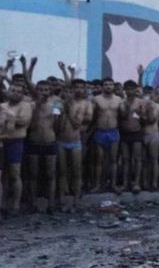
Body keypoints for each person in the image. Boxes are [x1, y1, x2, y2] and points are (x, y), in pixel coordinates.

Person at [24, 80, 59, 213]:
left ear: (50, 91)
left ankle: (51, 204)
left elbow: (57, 125)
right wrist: (37, 107)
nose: (43, 93)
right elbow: (29, 125)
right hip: (34, 142)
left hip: (50, 142)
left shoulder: (55, 105)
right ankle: (33, 203)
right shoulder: (31, 105)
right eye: (41, 90)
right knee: (33, 174)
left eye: (46, 90)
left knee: (51, 174)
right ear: (36, 91)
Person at [1, 83, 33, 215]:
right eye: (13, 90)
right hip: (2, 142)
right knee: (2, 175)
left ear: (22, 94)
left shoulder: (26, 106)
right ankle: (2, 204)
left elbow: (23, 122)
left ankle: (16, 205)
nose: (15, 93)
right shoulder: (2, 106)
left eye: (18, 91)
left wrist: (9, 116)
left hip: (16, 142)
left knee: (15, 173)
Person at [57, 80, 86, 209]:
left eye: (70, 92)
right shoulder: (58, 105)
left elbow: (76, 125)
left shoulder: (79, 105)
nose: (68, 94)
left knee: (77, 171)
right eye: (66, 92)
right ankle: (62, 198)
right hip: (61, 141)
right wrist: (62, 112)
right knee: (62, 171)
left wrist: (68, 111)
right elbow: (58, 126)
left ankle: (76, 198)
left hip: (75, 142)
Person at [91, 78, 123, 192]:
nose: (108, 86)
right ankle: (98, 185)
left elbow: (123, 115)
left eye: (110, 84)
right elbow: (91, 116)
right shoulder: (96, 99)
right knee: (99, 160)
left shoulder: (118, 99)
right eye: (106, 84)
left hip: (113, 131)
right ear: (102, 86)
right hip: (100, 132)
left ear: (113, 86)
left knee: (113, 160)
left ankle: (113, 185)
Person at [119, 80, 144, 193]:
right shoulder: (122, 102)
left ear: (135, 90)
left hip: (137, 132)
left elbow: (145, 119)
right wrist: (128, 109)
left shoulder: (140, 102)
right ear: (125, 90)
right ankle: (125, 184)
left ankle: (136, 183)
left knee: (137, 159)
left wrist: (141, 114)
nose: (130, 91)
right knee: (125, 159)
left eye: (132, 89)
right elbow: (122, 116)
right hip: (125, 133)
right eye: (128, 89)